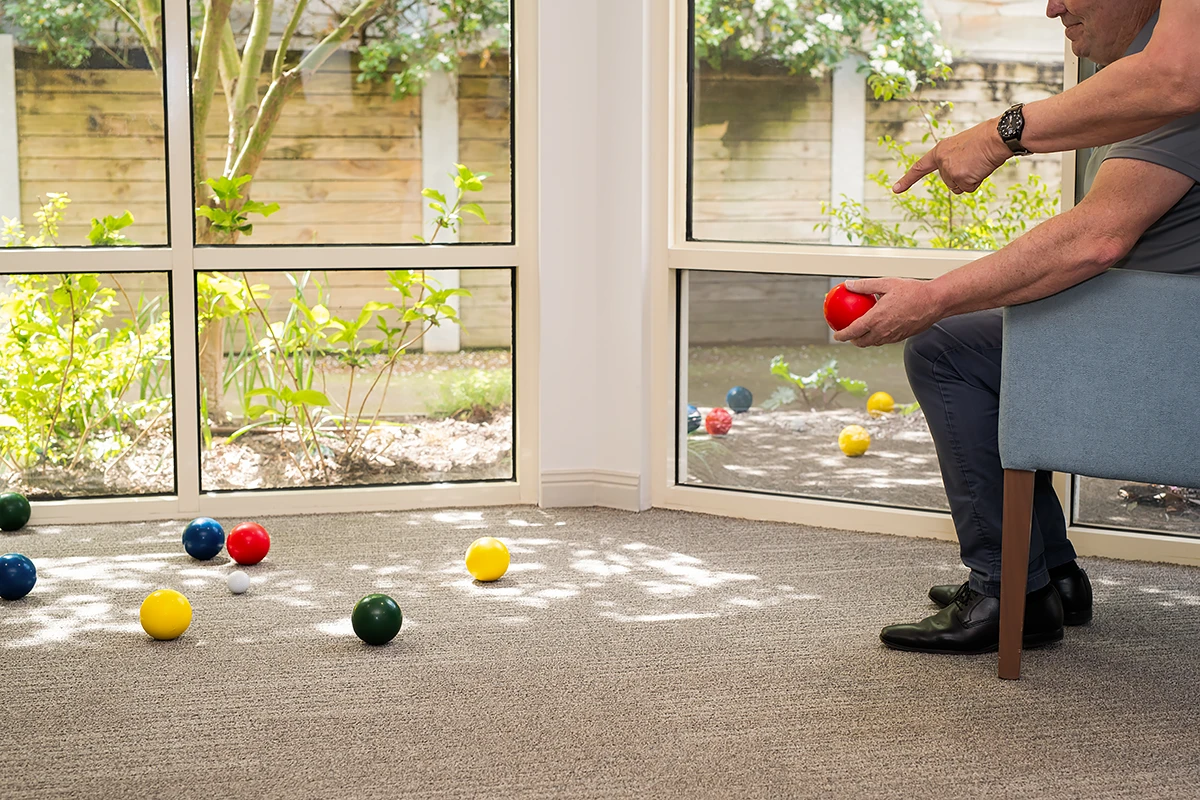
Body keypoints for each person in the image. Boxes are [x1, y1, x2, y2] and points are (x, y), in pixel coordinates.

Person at [833, 0, 1200, 654]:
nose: (1053, 5)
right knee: (989, 337)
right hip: (1159, 343)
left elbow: (1098, 240)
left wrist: (935, 298)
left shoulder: (1167, 90)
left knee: (947, 348)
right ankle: (1051, 575)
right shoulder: (1135, 87)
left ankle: (1010, 591)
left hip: (1169, 366)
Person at [893, 0, 1200, 195]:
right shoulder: (1122, 76)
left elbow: (1175, 76)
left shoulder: (1164, 93)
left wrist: (996, 136)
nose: (1052, 9)